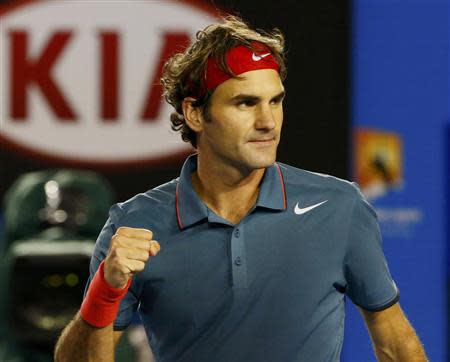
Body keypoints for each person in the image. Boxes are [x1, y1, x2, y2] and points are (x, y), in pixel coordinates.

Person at [54, 16, 427, 362]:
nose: (268, 122)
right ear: (195, 113)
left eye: (275, 101)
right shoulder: (134, 223)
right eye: (246, 103)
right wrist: (106, 290)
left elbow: (395, 344)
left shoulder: (339, 206)